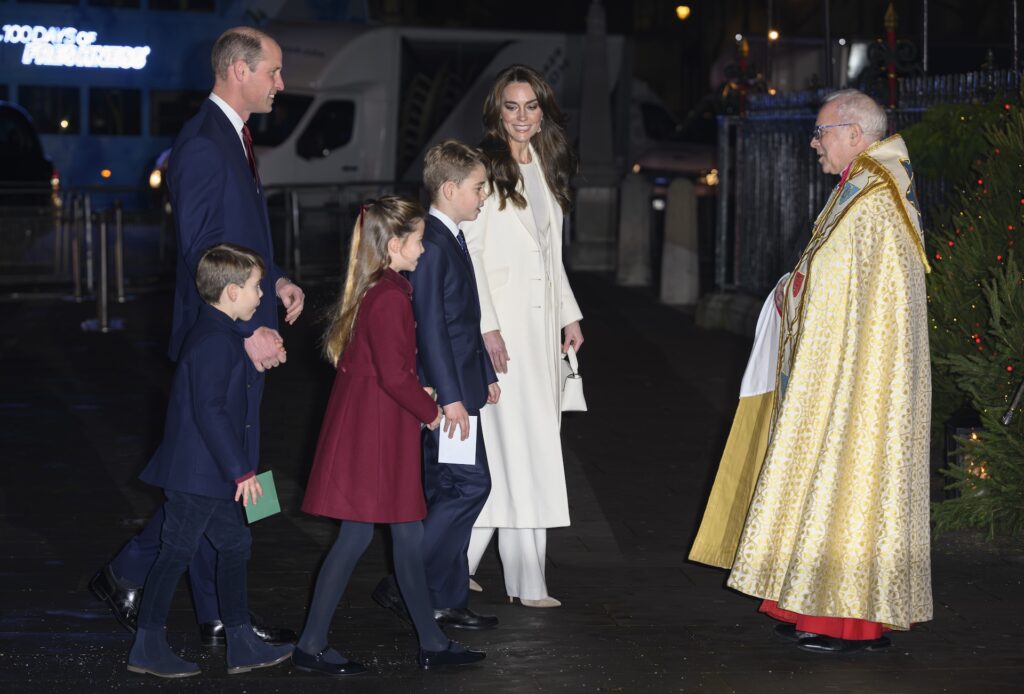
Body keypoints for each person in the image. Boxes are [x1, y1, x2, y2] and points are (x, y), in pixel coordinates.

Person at [693, 89, 932, 654]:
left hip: (861, 382)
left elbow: (831, 282)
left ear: (854, 133)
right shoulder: (866, 185)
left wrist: (794, 289)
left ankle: (845, 620)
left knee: (847, 479)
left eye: (821, 132)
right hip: (853, 370)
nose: (813, 142)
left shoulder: (874, 196)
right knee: (831, 480)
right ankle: (818, 605)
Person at [90, 26, 302, 646]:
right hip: (225, 337)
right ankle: (155, 583)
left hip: (236, 326)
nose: (281, 84)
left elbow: (241, 240)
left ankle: (211, 609)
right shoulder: (207, 145)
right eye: (274, 72)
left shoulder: (229, 139)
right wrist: (245, 331)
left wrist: (279, 280)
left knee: (221, 475)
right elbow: (205, 254)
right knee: (223, 476)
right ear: (239, 70)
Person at [296, 196, 486, 674]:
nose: (423, 250)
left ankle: (430, 642)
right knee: (361, 538)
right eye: (418, 241)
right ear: (395, 244)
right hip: (377, 434)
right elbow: (394, 376)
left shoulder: (381, 290)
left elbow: (390, 369)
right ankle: (314, 643)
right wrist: (433, 412)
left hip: (376, 427)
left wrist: (417, 394)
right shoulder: (388, 296)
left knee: (398, 534)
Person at [127, 243, 294, 678]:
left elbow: (220, 400)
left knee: (236, 545)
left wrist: (253, 371)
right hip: (200, 473)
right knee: (176, 552)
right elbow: (210, 411)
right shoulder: (216, 340)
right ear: (233, 292)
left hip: (210, 471)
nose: (262, 297)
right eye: (258, 287)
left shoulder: (217, 333)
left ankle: (240, 641)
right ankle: (147, 646)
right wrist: (243, 471)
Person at [461, 65, 584, 607]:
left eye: (530, 106)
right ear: (497, 111)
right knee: (514, 450)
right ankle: (525, 580)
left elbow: (549, 252)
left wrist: (568, 315)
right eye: (511, 107)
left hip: (540, 332)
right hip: (502, 330)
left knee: (530, 448)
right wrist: (486, 326)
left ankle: (454, 564)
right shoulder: (483, 167)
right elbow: (471, 254)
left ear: (543, 111)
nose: (521, 117)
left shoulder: (545, 164)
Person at [373, 141, 501, 630]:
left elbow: (463, 319)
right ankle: (403, 582)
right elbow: (429, 327)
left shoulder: (453, 237)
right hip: (442, 396)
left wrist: (483, 374)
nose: (484, 196)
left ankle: (444, 596)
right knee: (469, 486)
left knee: (452, 488)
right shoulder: (435, 244)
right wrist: (449, 397)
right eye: (478, 188)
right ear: (449, 189)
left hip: (459, 389)